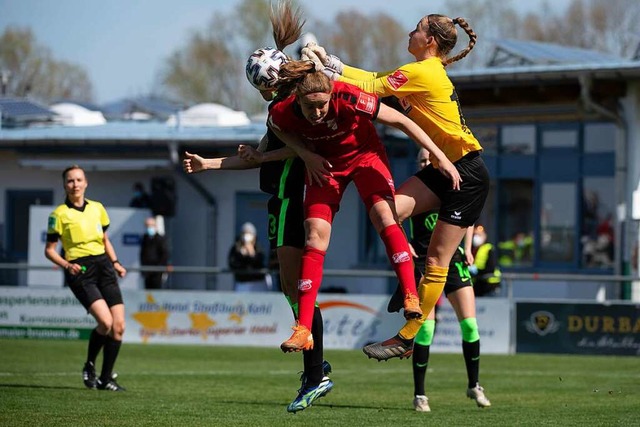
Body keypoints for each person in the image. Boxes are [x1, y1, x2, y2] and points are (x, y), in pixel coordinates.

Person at [305, 13, 490, 358]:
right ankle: (409, 280)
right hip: (444, 166)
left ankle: (407, 335)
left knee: (437, 259)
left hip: (467, 172)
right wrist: (331, 64)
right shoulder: (422, 71)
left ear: (430, 40)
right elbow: (376, 79)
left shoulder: (424, 71)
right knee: (387, 214)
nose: (411, 31)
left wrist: (330, 67)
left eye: (418, 28)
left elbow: (373, 86)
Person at [183, 1, 332, 413]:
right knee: (294, 289)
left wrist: (250, 157)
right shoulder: (283, 111)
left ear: (267, 87)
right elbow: (260, 155)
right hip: (282, 199)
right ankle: (315, 366)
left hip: (291, 197)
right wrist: (210, 163)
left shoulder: (284, 110)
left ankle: (315, 372)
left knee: (297, 288)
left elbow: (285, 154)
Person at [265, 59, 462, 355]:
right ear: (299, 102)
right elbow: (276, 127)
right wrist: (306, 154)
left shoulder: (348, 96)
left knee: (385, 215)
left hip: (365, 157)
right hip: (327, 167)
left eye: (322, 105)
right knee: (314, 235)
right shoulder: (283, 111)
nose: (317, 113)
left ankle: (410, 294)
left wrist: (440, 156)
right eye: (310, 108)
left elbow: (402, 121)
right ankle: (304, 328)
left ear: (332, 94)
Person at [375, 149, 491, 411]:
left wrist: (469, 248)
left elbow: (469, 217)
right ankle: (420, 395)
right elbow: (393, 217)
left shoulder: (454, 183)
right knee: (425, 329)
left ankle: (474, 385)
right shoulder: (420, 189)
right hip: (422, 265)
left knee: (470, 326)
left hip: (455, 264)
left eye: (430, 159)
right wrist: (404, 243)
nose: (426, 163)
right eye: (422, 161)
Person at [44, 165, 128, 391]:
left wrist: (116, 263)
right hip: (80, 270)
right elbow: (50, 250)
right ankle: (90, 365)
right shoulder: (59, 214)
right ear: (64, 185)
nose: (75, 184)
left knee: (119, 326)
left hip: (104, 266)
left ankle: (105, 378)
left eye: (79, 180)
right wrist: (66, 264)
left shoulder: (98, 208)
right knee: (105, 322)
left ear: (86, 182)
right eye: (70, 181)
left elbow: (104, 240)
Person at [228, 221, 269, 292]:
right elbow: (232, 263)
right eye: (244, 233)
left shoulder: (258, 247)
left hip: (257, 283)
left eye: (249, 233)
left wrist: (252, 253)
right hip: (242, 282)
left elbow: (262, 262)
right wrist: (241, 254)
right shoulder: (236, 248)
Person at [469, 224, 501, 297]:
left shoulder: (488, 248)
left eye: (479, 235)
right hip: (477, 285)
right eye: (474, 235)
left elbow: (491, 267)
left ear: (484, 235)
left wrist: (476, 271)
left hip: (490, 285)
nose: (476, 237)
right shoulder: (471, 249)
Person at [140, 216, 171, 290]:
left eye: (151, 225)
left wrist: (160, 267)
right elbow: (142, 254)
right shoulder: (145, 238)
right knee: (147, 291)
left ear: (155, 226)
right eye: (147, 226)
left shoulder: (160, 239)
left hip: (157, 270)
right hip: (147, 270)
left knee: (156, 290)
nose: (149, 228)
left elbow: (165, 254)